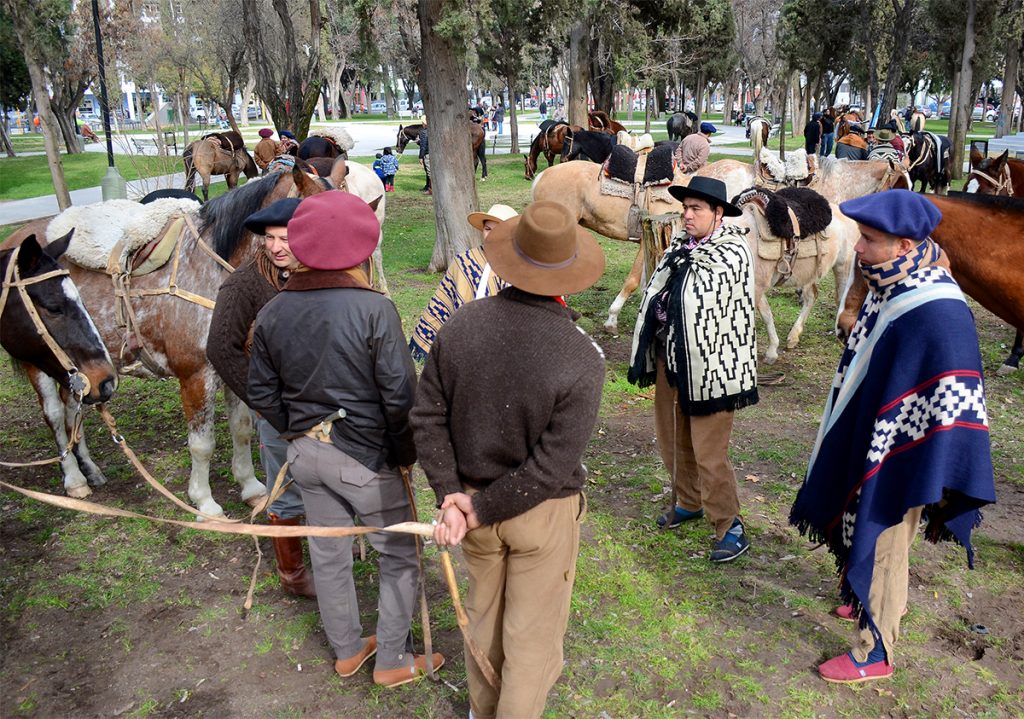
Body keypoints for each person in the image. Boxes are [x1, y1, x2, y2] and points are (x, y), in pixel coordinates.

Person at [790, 190, 995, 684]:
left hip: (908, 452)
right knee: (876, 532)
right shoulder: (895, 284)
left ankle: (873, 650)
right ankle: (872, 603)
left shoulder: (934, 308)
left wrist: (896, 450)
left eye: (871, 240)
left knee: (883, 534)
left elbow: (949, 395)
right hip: (884, 437)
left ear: (905, 244)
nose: (858, 249)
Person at [412, 200, 606, 719]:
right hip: (538, 514)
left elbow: (426, 415)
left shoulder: (460, 326)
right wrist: (471, 506)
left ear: (510, 259)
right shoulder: (582, 356)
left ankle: (482, 711)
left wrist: (455, 498)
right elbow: (552, 467)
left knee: (485, 618)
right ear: (572, 269)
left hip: (472, 505)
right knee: (532, 637)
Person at [247, 191, 444, 687]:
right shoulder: (374, 310)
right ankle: (393, 660)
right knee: (398, 555)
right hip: (365, 460)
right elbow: (400, 395)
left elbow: (261, 394)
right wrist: (403, 454)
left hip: (305, 457)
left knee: (329, 554)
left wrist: (300, 430)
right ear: (360, 248)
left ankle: (348, 650)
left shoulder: (272, 312)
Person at [628, 176, 758, 563]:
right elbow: (658, 292)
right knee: (671, 438)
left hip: (715, 366)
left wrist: (668, 302)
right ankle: (689, 500)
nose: (686, 215)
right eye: (685, 208)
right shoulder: (680, 248)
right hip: (674, 358)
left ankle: (729, 524)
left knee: (709, 450)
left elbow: (700, 301)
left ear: (718, 213)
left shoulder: (732, 253)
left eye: (696, 209)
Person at [205, 198, 315, 597]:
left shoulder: (322, 272)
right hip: (277, 410)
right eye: (269, 239)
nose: (275, 247)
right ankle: (293, 572)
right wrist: (264, 403)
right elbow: (220, 347)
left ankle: (330, 549)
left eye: (285, 238)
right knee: (284, 486)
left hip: (325, 406)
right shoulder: (244, 284)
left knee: (327, 484)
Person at [409, 204, 518, 360]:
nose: (492, 235)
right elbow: (445, 302)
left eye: (500, 230)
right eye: (488, 229)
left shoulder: (522, 267)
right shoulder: (465, 262)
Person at [418, 115, 431, 195]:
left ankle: (430, 189)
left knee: (429, 172)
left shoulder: (423, 132)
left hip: (427, 154)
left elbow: (423, 146)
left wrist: (421, 157)